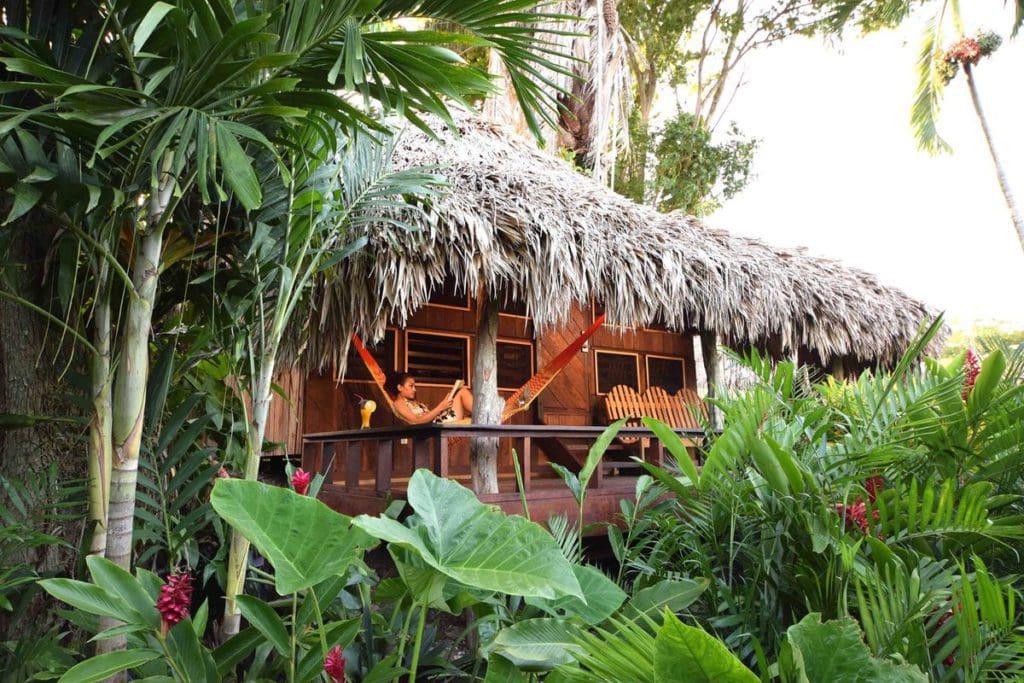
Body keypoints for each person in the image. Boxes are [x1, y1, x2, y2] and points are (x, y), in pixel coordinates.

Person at [384, 372, 474, 425]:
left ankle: (480, 415)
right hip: (438, 426)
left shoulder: (412, 402)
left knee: (460, 390)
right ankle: (483, 415)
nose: (414, 389)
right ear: (400, 387)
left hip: (439, 420)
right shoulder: (399, 403)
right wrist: (440, 407)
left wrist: (443, 407)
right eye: (411, 386)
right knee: (462, 391)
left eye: (414, 386)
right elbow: (417, 421)